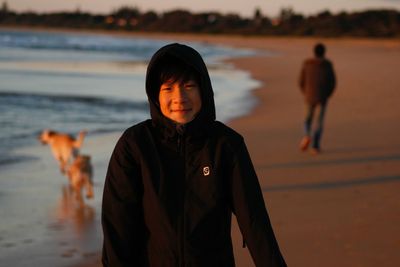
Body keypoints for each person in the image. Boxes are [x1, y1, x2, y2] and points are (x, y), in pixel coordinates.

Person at [101, 43, 287, 267]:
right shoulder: (135, 145)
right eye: (168, 89)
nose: (179, 98)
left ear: (203, 90)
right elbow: (118, 226)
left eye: (188, 86)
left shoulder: (226, 145)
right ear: (155, 95)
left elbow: (254, 221)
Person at [298, 43, 336, 154]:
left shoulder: (307, 64)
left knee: (307, 119)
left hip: (309, 95)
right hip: (322, 97)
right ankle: (315, 146)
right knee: (319, 122)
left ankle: (306, 135)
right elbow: (332, 82)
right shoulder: (327, 65)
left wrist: (305, 92)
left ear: (314, 52)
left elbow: (301, 81)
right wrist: (327, 94)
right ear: (324, 52)